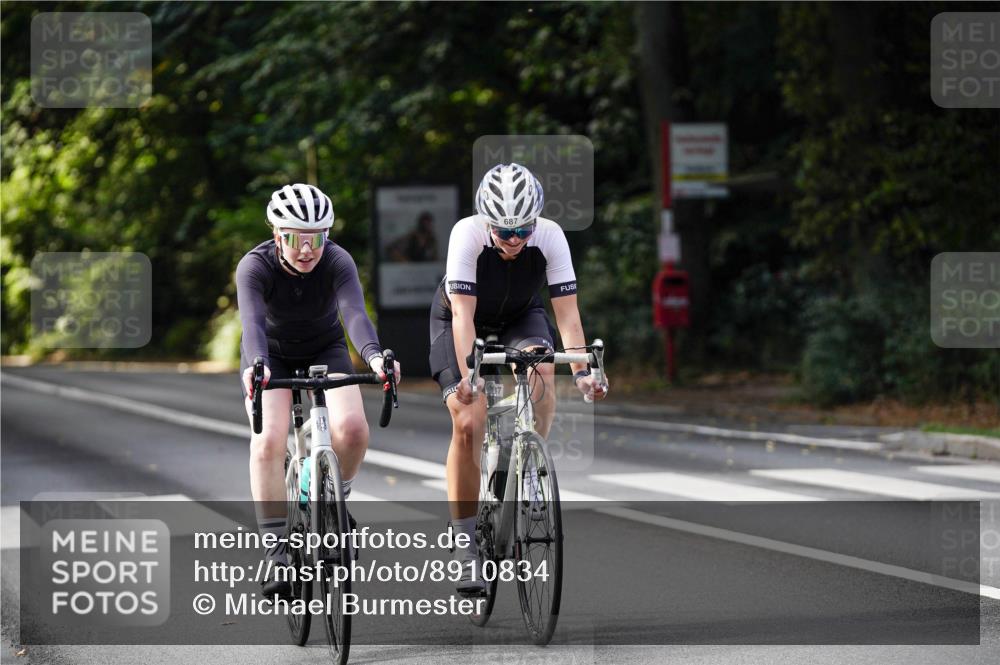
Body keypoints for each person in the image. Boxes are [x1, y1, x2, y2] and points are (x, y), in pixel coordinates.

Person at [428, 163, 608, 595]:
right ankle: (465, 540)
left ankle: (528, 461)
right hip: (459, 318)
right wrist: (469, 376)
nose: (514, 241)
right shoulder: (466, 234)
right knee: (469, 420)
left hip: (519, 317)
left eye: (523, 230)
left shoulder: (549, 236)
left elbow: (567, 316)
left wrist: (583, 371)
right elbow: (463, 316)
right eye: (504, 232)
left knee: (543, 368)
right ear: (486, 221)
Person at [236, 183, 401, 598]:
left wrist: (377, 358)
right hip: (270, 354)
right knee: (267, 442)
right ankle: (275, 549)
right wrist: (256, 368)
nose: (307, 249)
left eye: (317, 238)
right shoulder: (254, 267)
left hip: (325, 347)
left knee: (354, 430)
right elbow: (253, 325)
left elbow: (354, 315)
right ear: (277, 235)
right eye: (295, 239)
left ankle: (332, 502)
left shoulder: (337, 261)